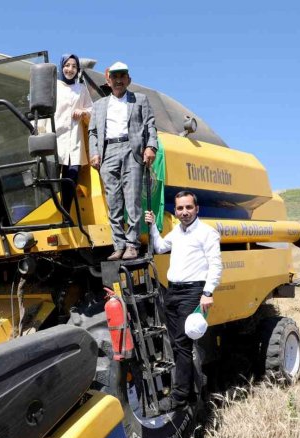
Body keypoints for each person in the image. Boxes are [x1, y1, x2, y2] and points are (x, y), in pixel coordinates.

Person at [145, 191, 222, 411]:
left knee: (183, 345)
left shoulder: (208, 233)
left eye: (188, 207)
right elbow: (160, 247)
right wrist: (152, 226)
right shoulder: (176, 232)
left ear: (197, 209)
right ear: (176, 211)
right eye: (180, 208)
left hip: (192, 292)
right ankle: (187, 391)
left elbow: (216, 265)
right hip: (173, 292)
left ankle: (180, 398)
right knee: (176, 343)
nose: (184, 212)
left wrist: (207, 293)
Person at [88, 61, 157, 260]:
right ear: (108, 80)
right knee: (113, 201)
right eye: (114, 77)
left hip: (131, 149)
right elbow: (92, 132)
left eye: (122, 77)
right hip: (108, 151)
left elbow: (150, 126)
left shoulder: (140, 100)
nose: (118, 81)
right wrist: (94, 152)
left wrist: (151, 147)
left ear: (128, 80)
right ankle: (118, 245)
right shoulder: (99, 105)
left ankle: (132, 244)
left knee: (132, 200)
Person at [53, 54, 92, 219]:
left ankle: (65, 214)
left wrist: (83, 112)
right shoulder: (54, 86)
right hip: (55, 137)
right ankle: (54, 215)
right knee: (53, 178)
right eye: (67, 65)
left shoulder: (81, 89)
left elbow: (92, 110)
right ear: (62, 67)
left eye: (74, 66)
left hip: (74, 139)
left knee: (72, 176)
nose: (70, 69)